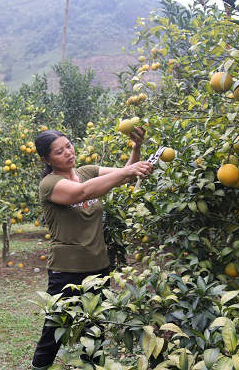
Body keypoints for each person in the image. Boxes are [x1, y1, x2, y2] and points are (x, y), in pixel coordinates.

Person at [30, 128, 153, 370]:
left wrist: (135, 150)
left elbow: (124, 176)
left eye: (68, 145)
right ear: (46, 159)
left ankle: (92, 367)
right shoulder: (50, 183)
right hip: (66, 270)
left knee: (95, 328)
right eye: (59, 151)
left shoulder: (87, 172)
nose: (68, 152)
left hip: (98, 265)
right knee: (55, 327)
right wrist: (127, 171)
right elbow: (82, 192)